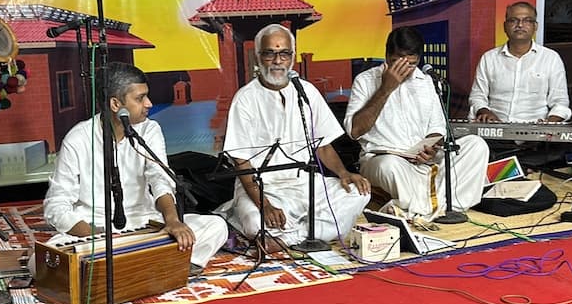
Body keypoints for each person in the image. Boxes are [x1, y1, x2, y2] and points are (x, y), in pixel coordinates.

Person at [43, 62, 228, 273]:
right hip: (95, 229)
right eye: (140, 98)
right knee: (44, 257)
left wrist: (173, 220)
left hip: (145, 224)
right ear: (115, 104)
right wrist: (95, 236)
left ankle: (144, 267)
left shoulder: (150, 130)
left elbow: (160, 179)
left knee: (216, 227)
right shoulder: (78, 138)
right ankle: (155, 265)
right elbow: (56, 205)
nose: (149, 103)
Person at [221, 24, 371, 252]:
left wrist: (344, 174)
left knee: (359, 193)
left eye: (284, 53)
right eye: (270, 53)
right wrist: (266, 206)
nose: (277, 60)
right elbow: (241, 162)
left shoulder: (306, 92)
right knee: (255, 222)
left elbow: (323, 145)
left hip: (304, 183)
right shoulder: (245, 99)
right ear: (258, 57)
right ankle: (310, 229)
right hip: (263, 188)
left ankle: (289, 236)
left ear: (292, 57)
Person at [344, 26, 489, 221]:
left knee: (476, 145)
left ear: (419, 60)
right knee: (388, 165)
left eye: (411, 64)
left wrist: (430, 148)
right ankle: (439, 204)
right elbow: (354, 131)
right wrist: (386, 89)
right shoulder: (366, 80)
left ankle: (420, 206)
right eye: (397, 63)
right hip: (384, 160)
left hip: (424, 160)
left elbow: (437, 129)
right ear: (387, 55)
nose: (404, 70)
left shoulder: (426, 82)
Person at [469, 1, 572, 123]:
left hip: (538, 135)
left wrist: (549, 124)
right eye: (513, 20)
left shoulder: (551, 58)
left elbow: (560, 102)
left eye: (527, 20)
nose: (520, 25)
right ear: (505, 26)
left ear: (535, 26)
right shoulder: (489, 58)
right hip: (495, 130)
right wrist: (485, 112)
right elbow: (477, 96)